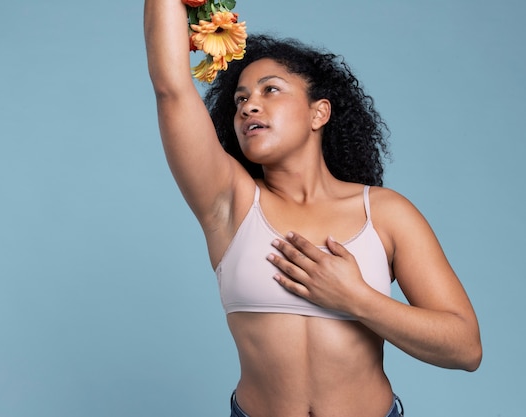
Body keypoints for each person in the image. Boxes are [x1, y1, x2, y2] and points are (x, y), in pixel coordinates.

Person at [144, 1, 483, 416]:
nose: (249, 106)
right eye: (240, 99)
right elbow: (171, 87)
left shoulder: (386, 213)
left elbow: (465, 348)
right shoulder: (229, 202)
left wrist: (356, 298)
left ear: (318, 112)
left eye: (271, 90)